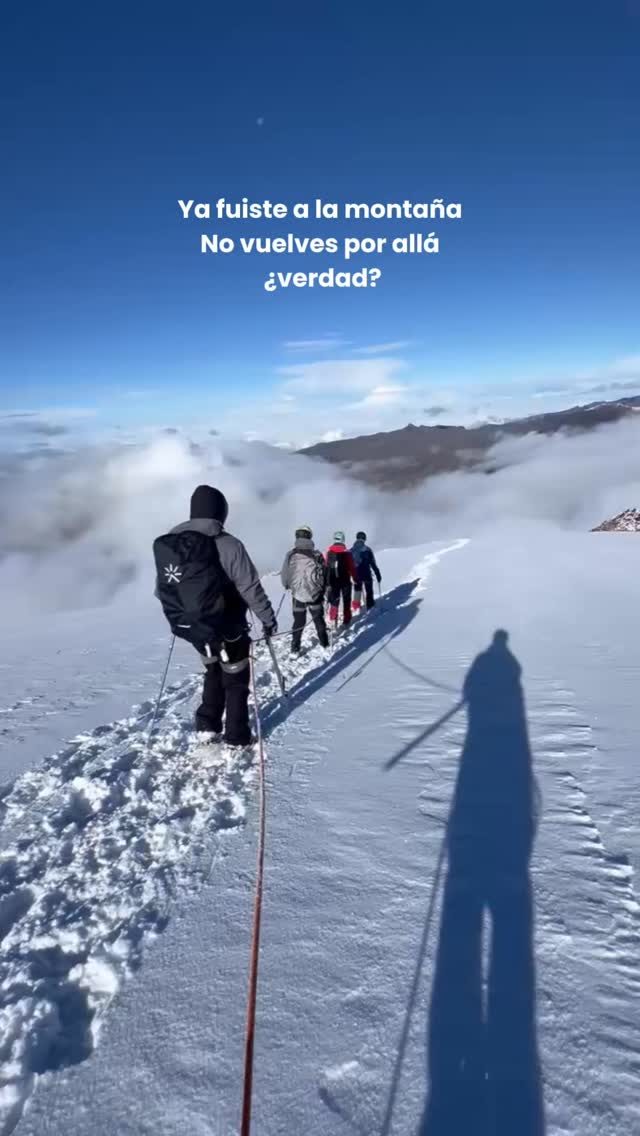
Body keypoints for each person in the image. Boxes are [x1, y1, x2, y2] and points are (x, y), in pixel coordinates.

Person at [154, 484, 277, 747]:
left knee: (212, 670)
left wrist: (190, 611)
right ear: (221, 512)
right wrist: (268, 619)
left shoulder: (173, 546)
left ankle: (207, 725)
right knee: (235, 679)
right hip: (229, 626)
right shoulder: (229, 545)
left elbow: (161, 590)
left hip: (195, 629)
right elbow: (250, 588)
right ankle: (237, 736)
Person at [281, 525, 329, 654]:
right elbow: (324, 575)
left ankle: (295, 647)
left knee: (298, 621)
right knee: (318, 619)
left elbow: (285, 575)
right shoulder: (317, 554)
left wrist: (288, 585)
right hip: (315, 594)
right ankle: (324, 642)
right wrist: (323, 590)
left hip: (297, 594)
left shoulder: (290, 554)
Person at [325, 530, 358, 628]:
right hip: (345, 581)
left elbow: (326, 567)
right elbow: (352, 567)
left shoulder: (329, 553)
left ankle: (333, 619)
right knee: (346, 601)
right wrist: (355, 578)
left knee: (334, 601)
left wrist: (327, 582)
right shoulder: (347, 553)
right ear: (343, 540)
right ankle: (346, 620)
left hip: (333, 581)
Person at [351, 530, 382, 612]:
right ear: (364, 539)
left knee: (357, 589)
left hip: (356, 574)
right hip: (366, 573)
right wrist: (377, 573)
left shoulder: (351, 550)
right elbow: (372, 563)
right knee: (369, 590)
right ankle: (370, 606)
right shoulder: (367, 550)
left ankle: (356, 607)